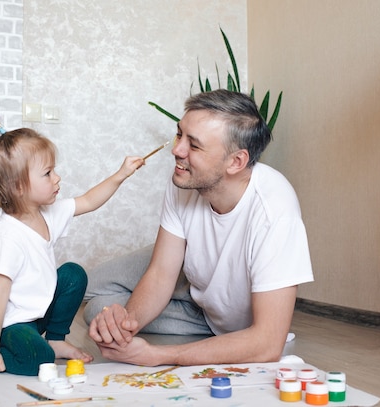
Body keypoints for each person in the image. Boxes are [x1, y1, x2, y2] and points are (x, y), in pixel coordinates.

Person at [85, 89, 314, 367]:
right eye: (179, 134)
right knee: (100, 310)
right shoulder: (185, 180)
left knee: (104, 310)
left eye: (193, 145)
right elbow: (160, 274)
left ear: (236, 162)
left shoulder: (275, 210)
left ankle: (220, 341)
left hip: (233, 325)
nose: (177, 150)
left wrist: (159, 355)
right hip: (199, 293)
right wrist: (123, 329)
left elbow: (267, 344)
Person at [0, 113, 144, 378]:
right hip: (10, 323)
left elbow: (89, 200)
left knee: (73, 274)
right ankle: (1, 345)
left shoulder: (48, 212)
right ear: (18, 187)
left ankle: (56, 338)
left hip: (38, 312)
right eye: (48, 173)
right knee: (41, 360)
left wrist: (121, 174)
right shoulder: (7, 236)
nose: (57, 178)